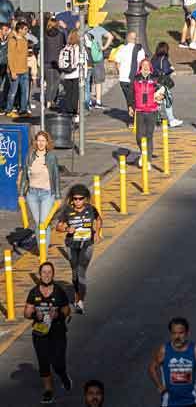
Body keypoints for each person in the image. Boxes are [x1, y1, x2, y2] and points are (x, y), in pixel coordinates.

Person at [25, 261, 72, 404]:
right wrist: (35, 316)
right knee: (44, 362)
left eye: (49, 272)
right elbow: (27, 312)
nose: (46, 275)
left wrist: (57, 314)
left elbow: (67, 310)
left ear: (53, 274)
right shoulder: (33, 292)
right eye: (44, 272)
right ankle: (48, 391)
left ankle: (63, 375)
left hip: (57, 332)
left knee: (58, 363)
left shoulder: (59, 291)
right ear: (40, 274)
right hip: (40, 333)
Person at [53, 184, 101, 314]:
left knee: (81, 271)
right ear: (72, 199)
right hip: (71, 245)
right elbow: (58, 227)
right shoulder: (67, 211)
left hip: (87, 244)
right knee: (74, 273)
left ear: (85, 199)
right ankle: (77, 294)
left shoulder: (91, 209)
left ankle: (80, 301)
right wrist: (67, 229)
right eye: (75, 199)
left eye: (81, 198)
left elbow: (98, 219)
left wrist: (97, 232)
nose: (78, 201)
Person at [149, 317, 196, 406]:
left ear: (187, 333)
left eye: (181, 333)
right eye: (174, 333)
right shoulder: (164, 350)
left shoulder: (195, 349)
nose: (177, 337)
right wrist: (159, 386)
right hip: (169, 402)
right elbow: (152, 368)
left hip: (191, 401)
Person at [20, 130, 61, 236]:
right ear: (35, 142)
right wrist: (21, 195)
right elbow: (24, 177)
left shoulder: (51, 157)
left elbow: (56, 177)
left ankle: (44, 252)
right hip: (32, 194)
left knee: (43, 223)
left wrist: (58, 196)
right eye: (38, 140)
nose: (41, 143)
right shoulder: (29, 156)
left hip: (47, 193)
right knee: (38, 224)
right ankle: (41, 249)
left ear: (47, 142)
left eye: (43, 140)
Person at [130, 58, 165, 165]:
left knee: (149, 135)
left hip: (152, 111)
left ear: (150, 67)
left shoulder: (155, 79)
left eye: (147, 65)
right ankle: (143, 153)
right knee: (139, 137)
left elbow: (163, 92)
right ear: (140, 67)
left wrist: (161, 96)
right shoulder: (135, 79)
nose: (145, 67)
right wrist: (130, 107)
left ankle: (148, 160)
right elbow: (131, 94)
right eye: (143, 65)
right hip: (139, 110)